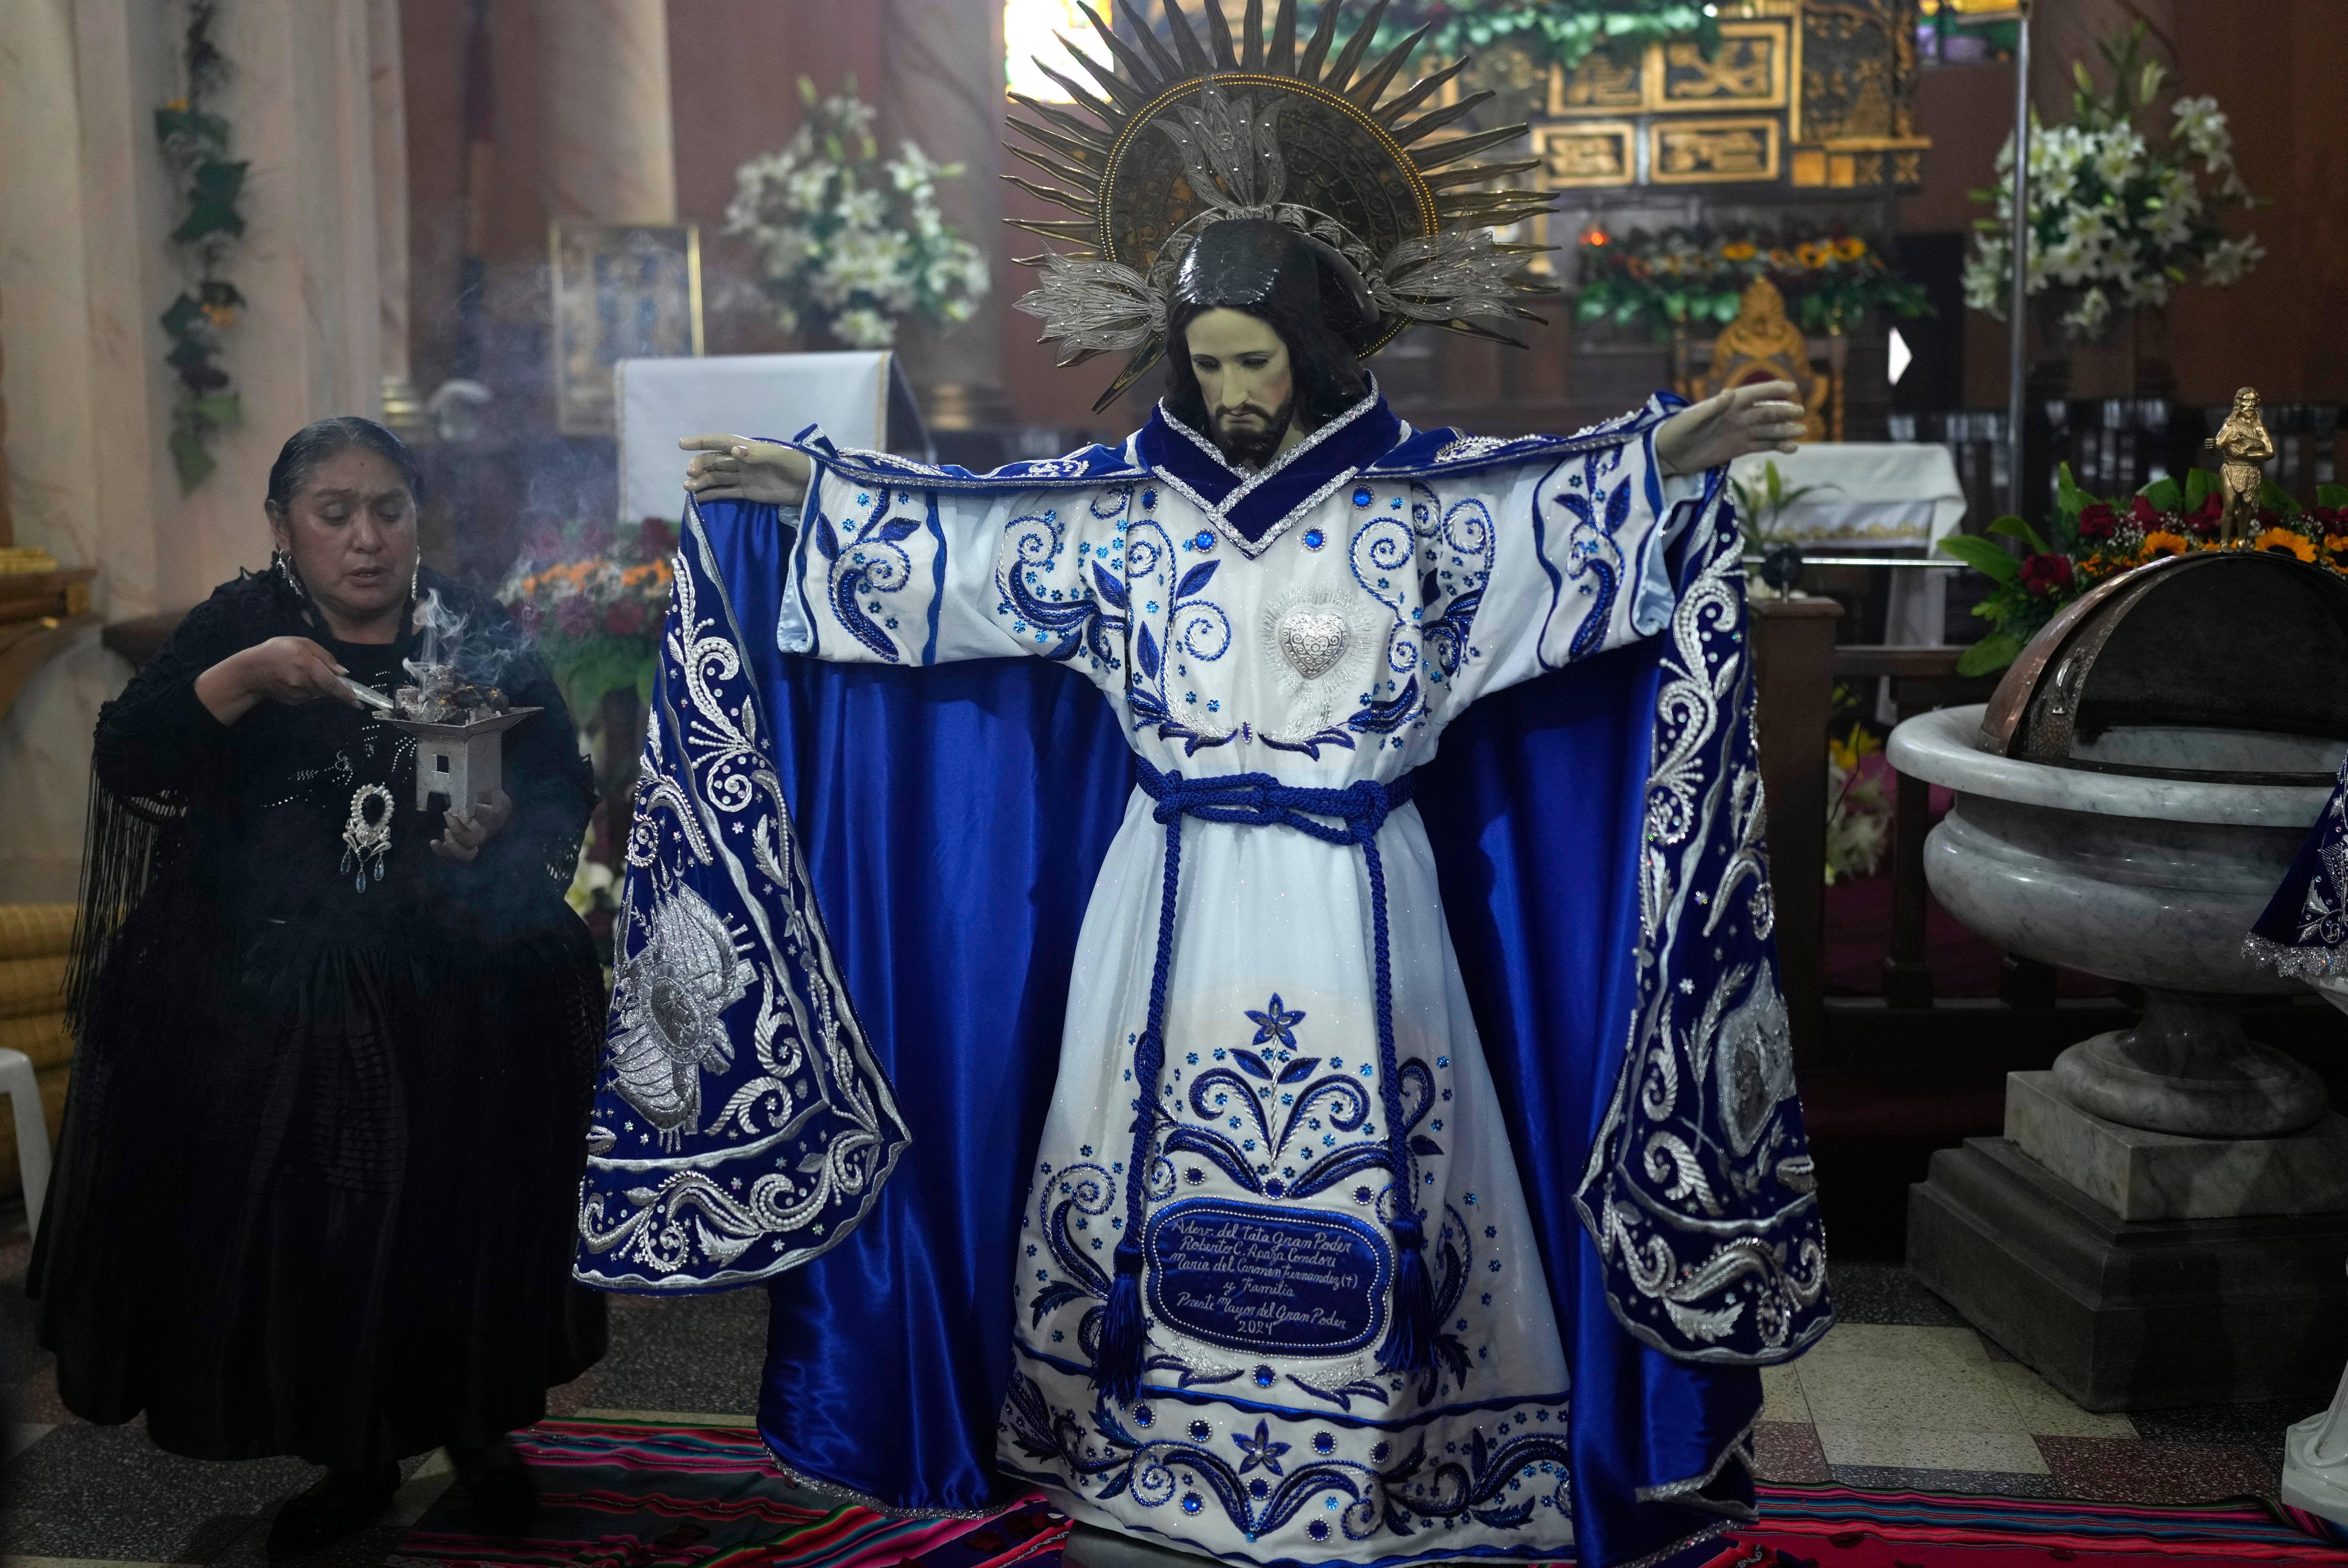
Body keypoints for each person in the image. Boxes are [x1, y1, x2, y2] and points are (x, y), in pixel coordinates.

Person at [579, 7, 1830, 1566]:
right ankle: (1142, 1436)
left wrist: (1672, 455)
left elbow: (1554, 519)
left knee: (1393, 1165)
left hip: (1356, 896)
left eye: (1255, 360)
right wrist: (800, 489)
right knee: (1135, 1154)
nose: (1231, 390)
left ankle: (1393, 1454)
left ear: (1314, 350)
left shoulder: (1416, 514)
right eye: (1208, 362)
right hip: (1161, 897)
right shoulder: (1125, 519)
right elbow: (964, 542)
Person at [30, 418, 606, 1556]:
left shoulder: (469, 626)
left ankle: (480, 1425)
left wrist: (497, 829)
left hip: (462, 980)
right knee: (333, 1232)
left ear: (417, 517)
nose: (366, 538)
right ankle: (357, 1455)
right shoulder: (247, 622)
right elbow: (133, 755)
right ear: (284, 525)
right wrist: (242, 682)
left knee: (467, 1213)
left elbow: (558, 780)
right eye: (333, 512)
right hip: (281, 987)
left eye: (389, 509)